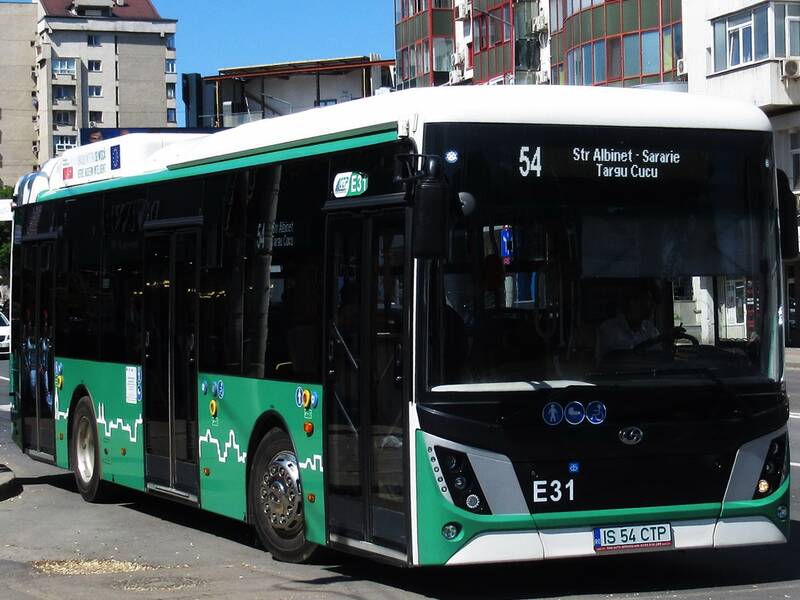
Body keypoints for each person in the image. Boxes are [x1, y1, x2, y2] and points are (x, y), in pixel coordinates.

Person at [596, 284, 661, 363]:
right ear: (633, 301)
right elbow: (607, 363)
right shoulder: (608, 330)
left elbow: (658, 360)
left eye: (653, 302)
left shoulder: (651, 330)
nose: (652, 306)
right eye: (648, 299)